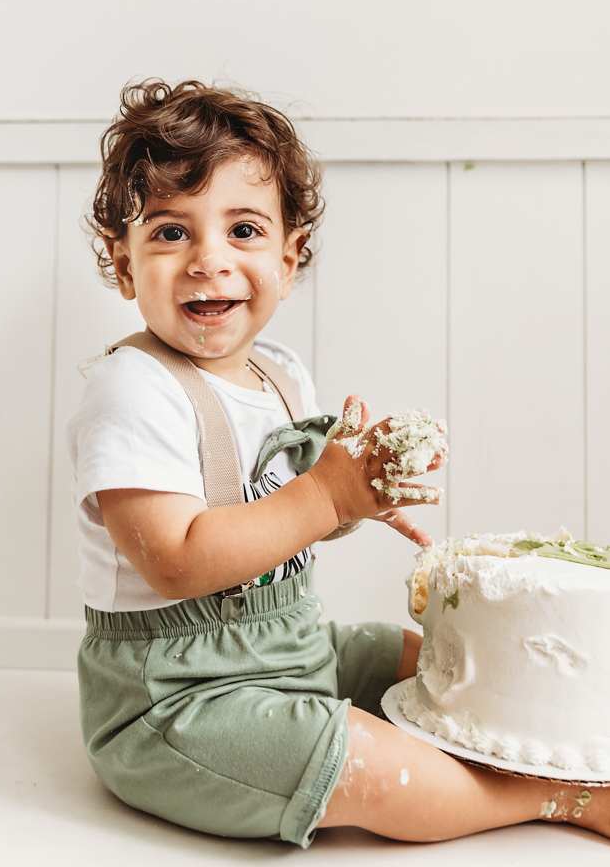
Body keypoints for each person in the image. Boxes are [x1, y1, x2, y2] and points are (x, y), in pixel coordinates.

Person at [68, 79, 609, 848]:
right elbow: (178, 562)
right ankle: (553, 796)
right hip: (177, 698)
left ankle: (564, 744)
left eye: (244, 230)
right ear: (124, 268)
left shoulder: (280, 374)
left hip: (289, 646)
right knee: (369, 763)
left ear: (289, 261)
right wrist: (324, 496)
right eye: (168, 233)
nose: (207, 260)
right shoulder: (131, 389)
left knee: (446, 661)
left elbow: (276, 520)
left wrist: (354, 495)